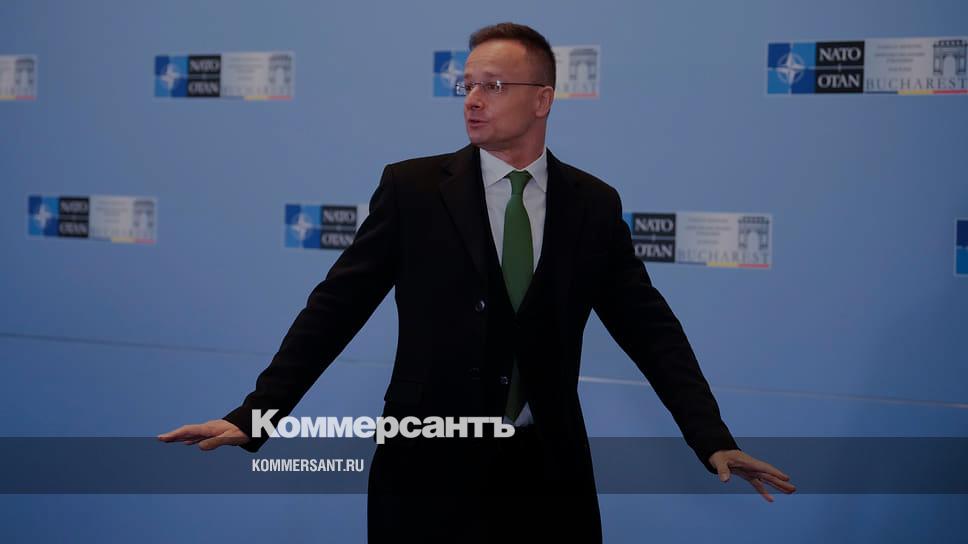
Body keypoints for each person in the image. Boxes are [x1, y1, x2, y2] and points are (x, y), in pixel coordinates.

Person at [159, 22, 795, 543]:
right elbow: (334, 309)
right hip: (426, 472)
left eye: (493, 85)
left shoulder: (592, 204)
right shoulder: (412, 189)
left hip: (548, 477)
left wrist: (712, 438)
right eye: (467, 85)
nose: (472, 99)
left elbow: (651, 331)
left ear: (543, 99)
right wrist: (256, 415)